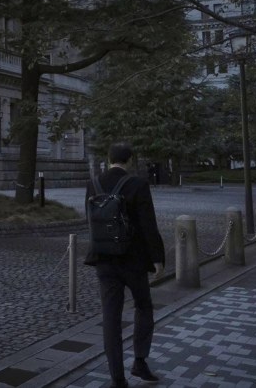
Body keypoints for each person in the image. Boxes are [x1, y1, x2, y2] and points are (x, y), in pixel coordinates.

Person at [86, 143, 166, 388]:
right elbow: (148, 225)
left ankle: (116, 378)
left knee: (111, 318)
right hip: (133, 260)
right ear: (130, 160)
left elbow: (90, 220)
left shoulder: (94, 183)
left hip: (103, 259)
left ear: (108, 159)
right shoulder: (138, 184)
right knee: (143, 306)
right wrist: (157, 259)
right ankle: (140, 361)